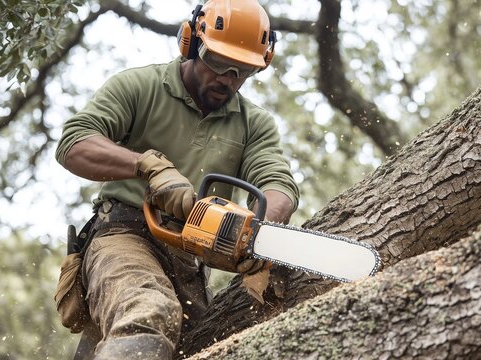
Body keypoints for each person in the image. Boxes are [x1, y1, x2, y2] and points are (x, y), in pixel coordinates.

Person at [54, 0, 299, 358]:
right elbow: (74, 143)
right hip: (124, 235)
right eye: (217, 62)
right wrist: (148, 167)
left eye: (241, 70)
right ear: (191, 43)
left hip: (190, 259)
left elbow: (277, 183)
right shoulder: (140, 86)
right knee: (150, 312)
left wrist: (258, 232)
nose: (226, 79)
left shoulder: (253, 123)